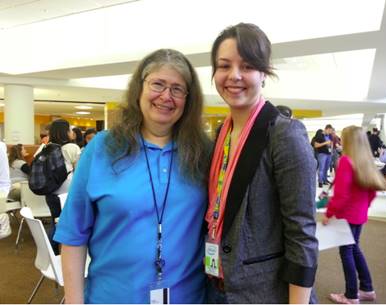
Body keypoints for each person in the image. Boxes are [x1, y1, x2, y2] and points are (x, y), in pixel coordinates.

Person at [54, 49, 212, 303]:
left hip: (188, 297)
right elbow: (74, 234)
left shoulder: (203, 153)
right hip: (112, 297)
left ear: (188, 99)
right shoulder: (103, 148)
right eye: (158, 84)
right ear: (139, 88)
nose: (166, 96)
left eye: (177, 89)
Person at [205, 23, 318, 304]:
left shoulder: (284, 133)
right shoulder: (222, 134)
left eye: (247, 66)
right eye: (224, 66)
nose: (234, 76)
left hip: (264, 292)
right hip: (217, 284)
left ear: (264, 73)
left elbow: (301, 232)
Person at [322, 125, 386, 304]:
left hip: (348, 217)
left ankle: (351, 295)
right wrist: (363, 207)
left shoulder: (346, 162)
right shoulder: (367, 162)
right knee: (355, 248)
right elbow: (373, 192)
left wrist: (329, 213)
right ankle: (367, 288)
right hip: (360, 216)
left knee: (347, 252)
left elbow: (341, 195)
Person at [46, 119, 81, 254]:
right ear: (65, 132)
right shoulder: (73, 147)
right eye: (71, 129)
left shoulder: (47, 147)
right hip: (67, 192)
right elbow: (79, 172)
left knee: (55, 222)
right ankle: (59, 254)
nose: (73, 132)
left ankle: (52, 252)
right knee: (64, 224)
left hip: (50, 191)